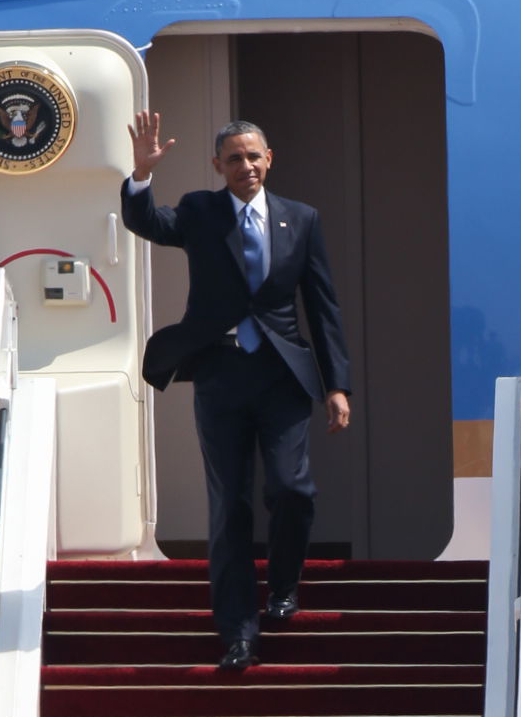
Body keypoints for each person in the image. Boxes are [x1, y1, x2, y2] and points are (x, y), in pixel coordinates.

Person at [121, 110, 352, 672]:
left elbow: (321, 309)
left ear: (268, 160)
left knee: (291, 489)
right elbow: (148, 223)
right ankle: (239, 634)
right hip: (222, 375)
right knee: (229, 510)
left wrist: (336, 385)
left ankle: (284, 587)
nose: (245, 166)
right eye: (233, 159)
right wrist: (142, 176)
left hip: (282, 377)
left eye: (253, 157)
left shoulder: (302, 219)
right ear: (217, 166)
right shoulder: (201, 211)